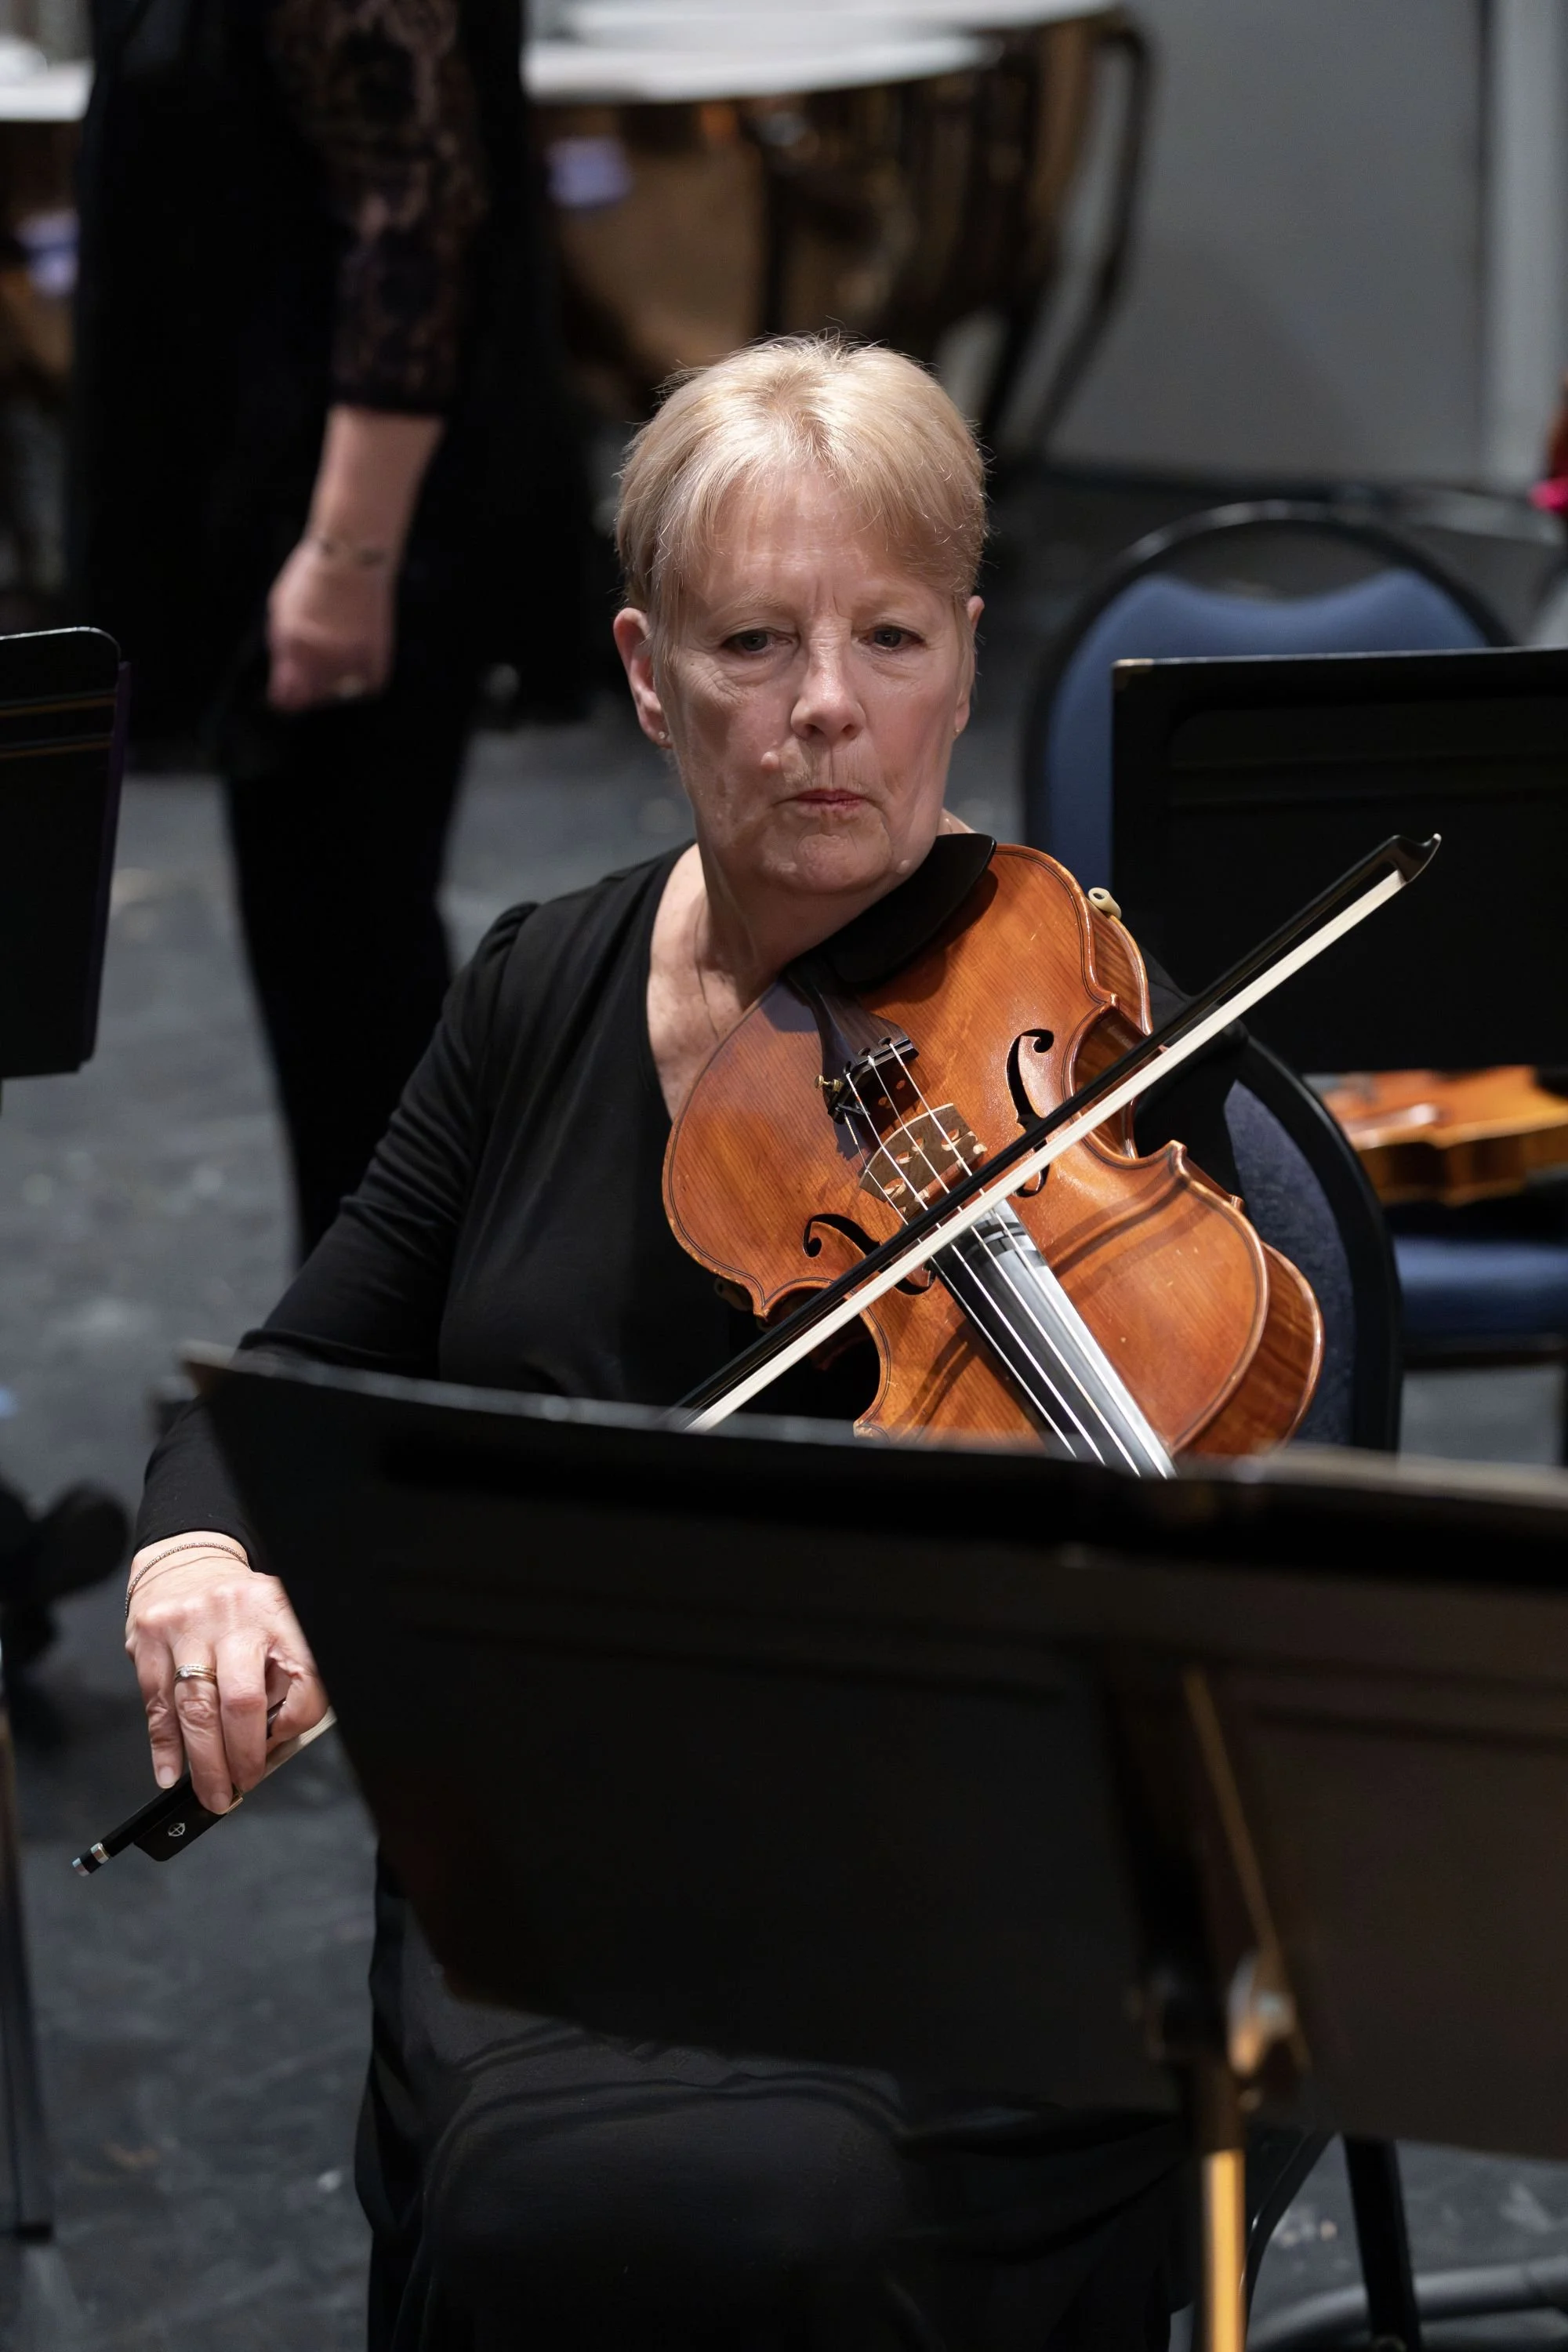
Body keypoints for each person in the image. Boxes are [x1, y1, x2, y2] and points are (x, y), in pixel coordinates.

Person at [124, 338, 1194, 2350]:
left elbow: (1188, 1533)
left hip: (966, 1866)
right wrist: (198, 1556)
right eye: (750, 644)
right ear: (642, 673)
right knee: (551, 2204)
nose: (822, 711)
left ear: (965, 662)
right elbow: (288, 1380)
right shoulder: (538, 989)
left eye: (886, 639)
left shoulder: (1089, 1033)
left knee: (787, 2214)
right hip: (564, 1849)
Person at [71, 0, 591, 1255]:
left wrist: (349, 552)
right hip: (277, 498)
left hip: (351, 516)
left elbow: (416, 221)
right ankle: (368, 1338)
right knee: (324, 949)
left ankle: (392, 1362)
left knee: (353, 959)